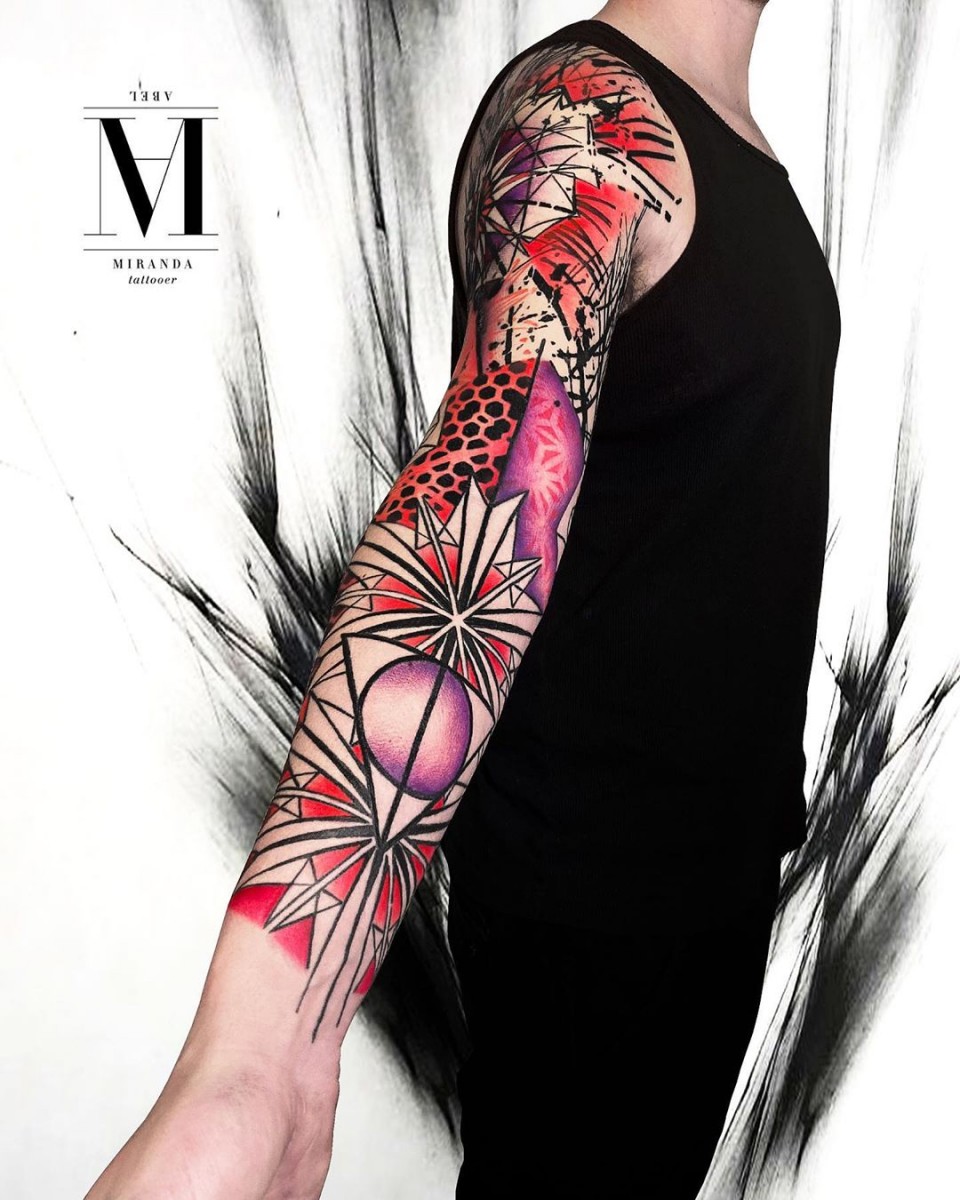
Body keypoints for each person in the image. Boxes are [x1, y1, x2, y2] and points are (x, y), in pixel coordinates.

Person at [85, 0, 841, 1197]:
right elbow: (484, 503)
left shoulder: (728, 141)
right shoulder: (591, 114)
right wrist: (261, 1053)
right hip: (596, 910)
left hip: (704, 889)